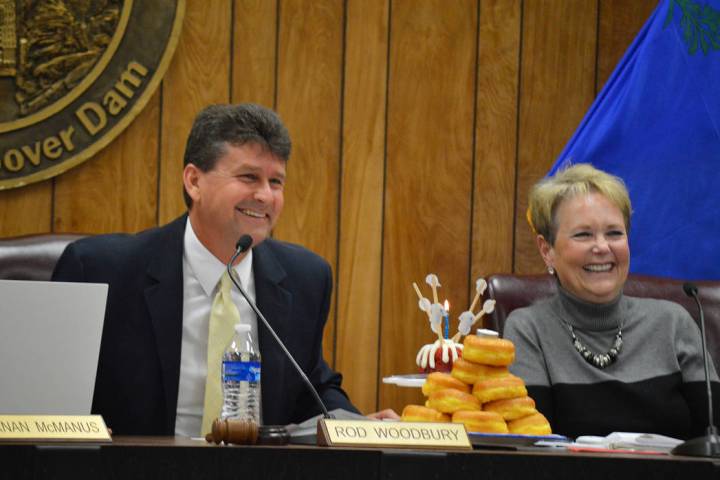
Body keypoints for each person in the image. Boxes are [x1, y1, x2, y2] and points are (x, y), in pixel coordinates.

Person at [52, 104, 395, 436]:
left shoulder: (306, 277)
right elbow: (57, 398)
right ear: (194, 182)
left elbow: (310, 388)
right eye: (249, 177)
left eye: (276, 182)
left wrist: (357, 425)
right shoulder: (102, 271)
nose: (265, 196)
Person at [503, 163, 719, 439]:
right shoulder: (528, 330)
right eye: (583, 234)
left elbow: (715, 442)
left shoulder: (674, 323)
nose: (602, 247)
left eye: (614, 233)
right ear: (547, 251)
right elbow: (532, 448)